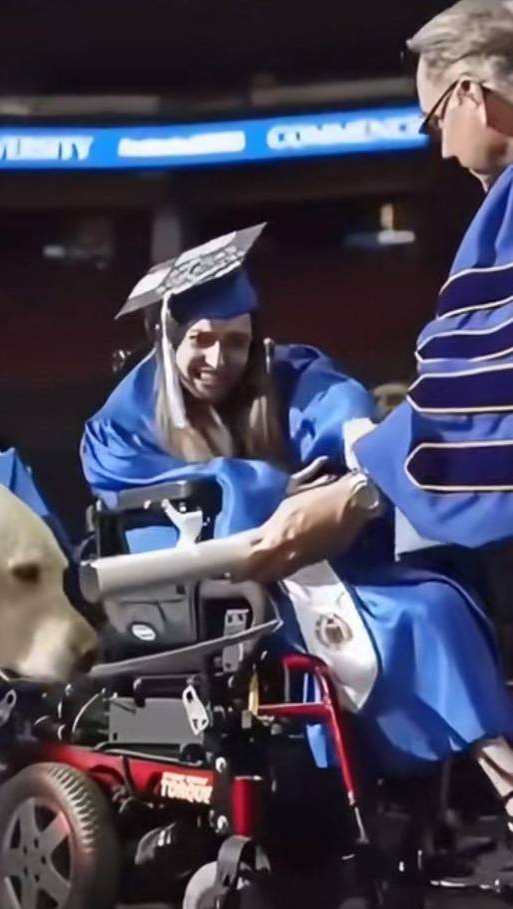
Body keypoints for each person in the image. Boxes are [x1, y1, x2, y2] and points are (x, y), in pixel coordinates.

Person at [81, 227, 513, 816]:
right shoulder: (123, 423)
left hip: (312, 567)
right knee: (419, 615)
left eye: (235, 342)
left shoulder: (273, 373)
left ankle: (457, 788)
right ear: (170, 335)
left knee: (443, 584)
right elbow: (154, 501)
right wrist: (271, 487)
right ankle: (495, 777)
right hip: (229, 596)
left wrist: (360, 438)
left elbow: (325, 395)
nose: (218, 360)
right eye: (202, 340)